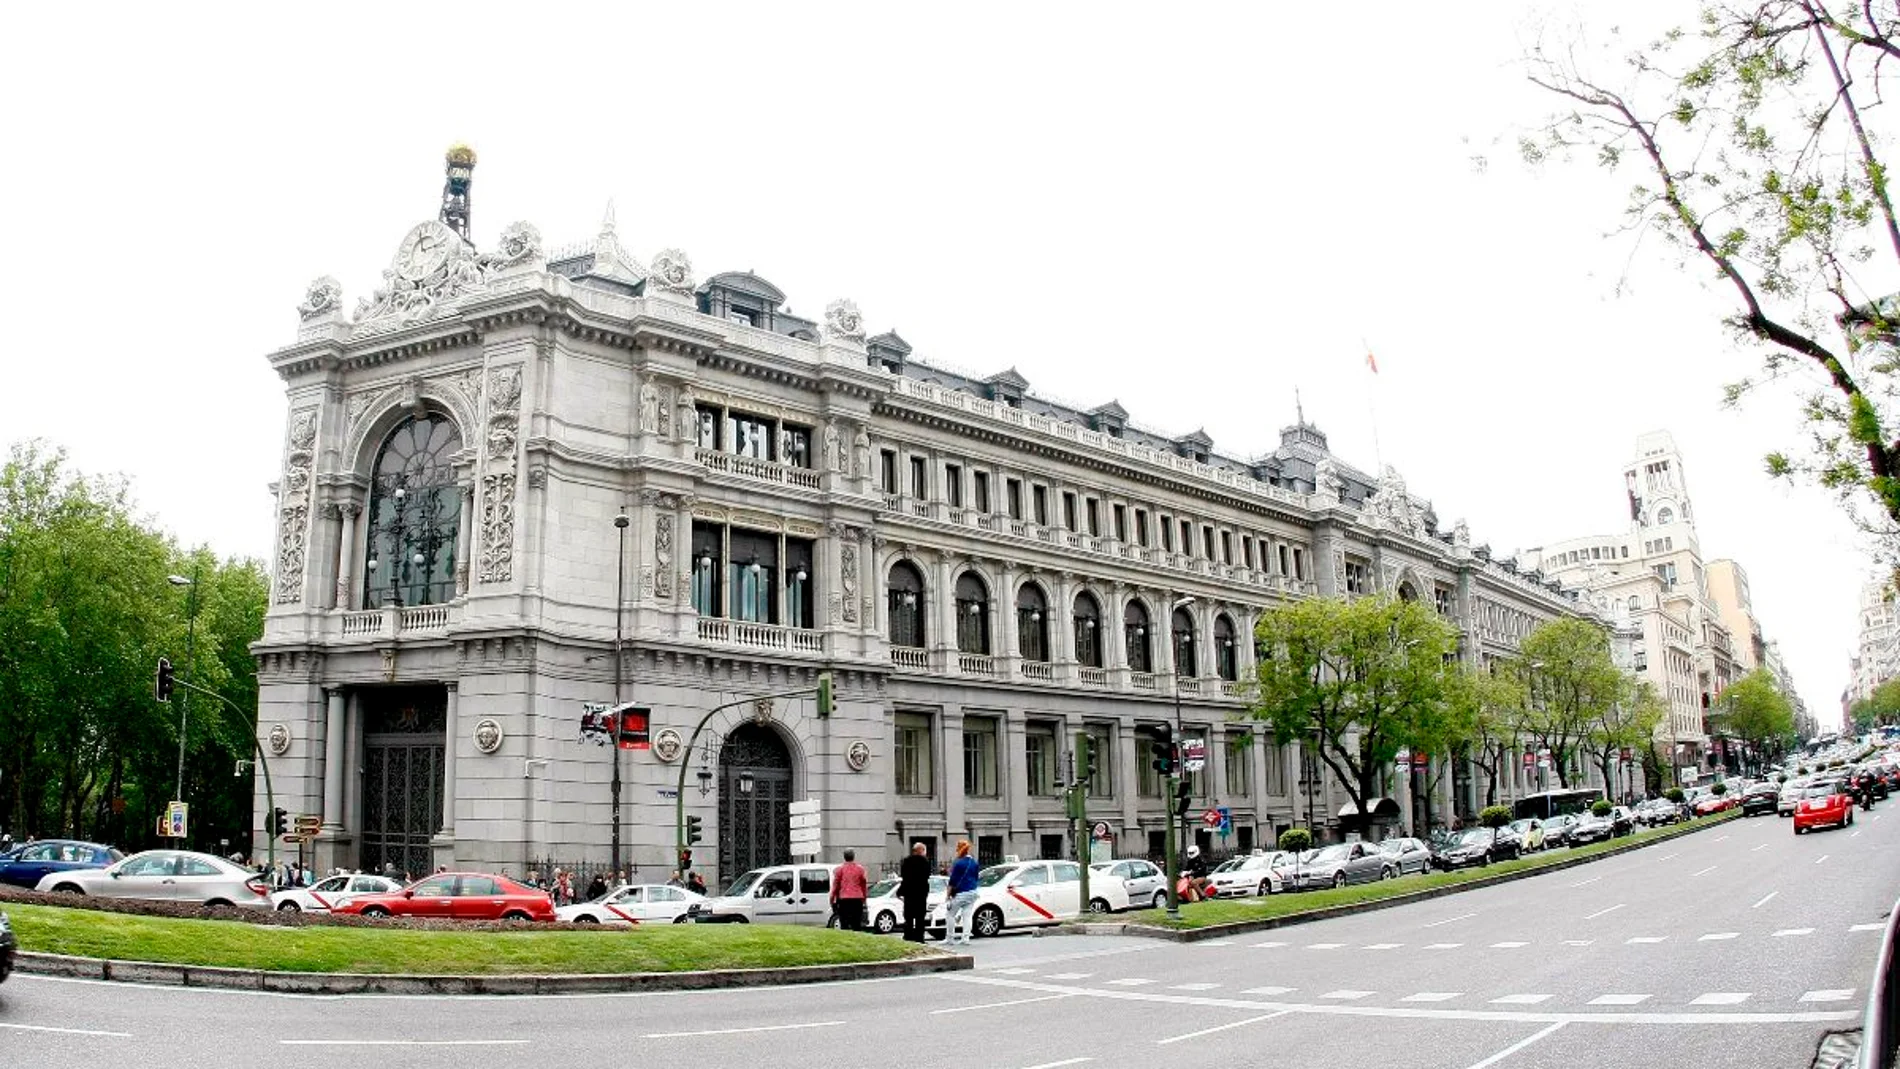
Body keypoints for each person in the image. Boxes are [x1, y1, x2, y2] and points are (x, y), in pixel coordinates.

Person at [943, 840, 981, 947]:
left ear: (959, 849)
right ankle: (966, 938)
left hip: (961, 893)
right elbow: (976, 878)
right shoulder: (974, 862)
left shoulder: (958, 863)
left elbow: (952, 881)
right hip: (973, 892)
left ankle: (950, 938)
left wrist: (948, 895)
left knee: (950, 914)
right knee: (967, 915)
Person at [899, 841, 932, 943]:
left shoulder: (906, 861)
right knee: (920, 917)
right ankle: (919, 937)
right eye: (924, 850)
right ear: (921, 850)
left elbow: (904, 876)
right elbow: (927, 876)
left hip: (909, 893)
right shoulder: (925, 862)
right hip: (920, 893)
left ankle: (908, 935)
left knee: (908, 916)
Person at [831, 849, 869, 932]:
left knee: (844, 924)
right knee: (856, 924)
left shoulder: (840, 870)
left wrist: (832, 899)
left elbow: (835, 886)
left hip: (844, 899)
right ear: (853, 857)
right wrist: (864, 898)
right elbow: (864, 885)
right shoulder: (860, 869)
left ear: (844, 857)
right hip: (857, 899)